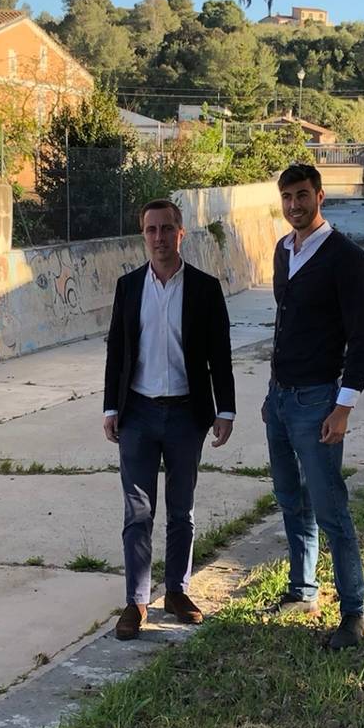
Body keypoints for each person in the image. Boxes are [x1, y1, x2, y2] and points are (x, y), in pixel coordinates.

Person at [103, 199, 236, 640]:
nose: (159, 238)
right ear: (143, 235)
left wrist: (225, 409)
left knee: (182, 510)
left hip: (186, 414)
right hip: (137, 413)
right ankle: (136, 601)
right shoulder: (129, 287)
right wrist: (110, 407)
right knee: (137, 511)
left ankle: (177, 591)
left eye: (167, 229)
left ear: (182, 233)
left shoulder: (204, 288)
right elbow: (117, 352)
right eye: (151, 230)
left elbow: (220, 354)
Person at [264, 164, 364, 650]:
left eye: (302, 195)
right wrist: (273, 396)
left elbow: (362, 339)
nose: (294, 205)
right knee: (292, 501)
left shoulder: (346, 259)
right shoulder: (284, 251)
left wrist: (343, 406)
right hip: (281, 399)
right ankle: (302, 590)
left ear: (320, 196)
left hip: (318, 402)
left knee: (331, 509)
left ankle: (354, 613)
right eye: (287, 197)